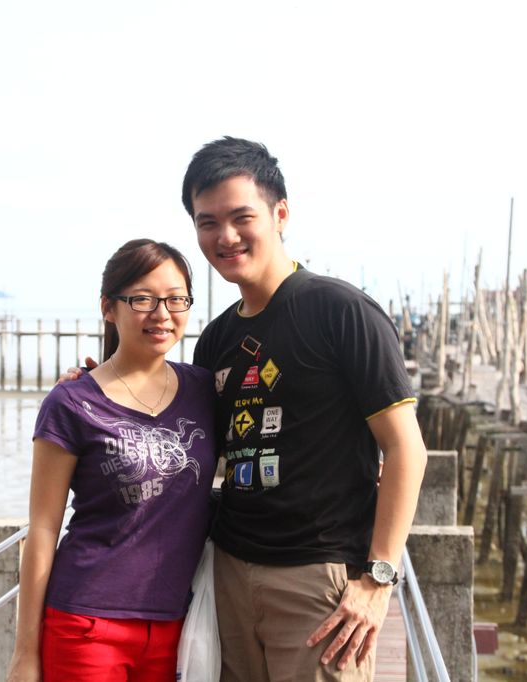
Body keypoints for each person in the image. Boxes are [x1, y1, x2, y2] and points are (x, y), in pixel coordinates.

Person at [184, 137, 427, 681]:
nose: (225, 236)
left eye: (241, 217)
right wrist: (98, 386)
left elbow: (405, 448)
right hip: (230, 571)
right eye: (207, 222)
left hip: (319, 579)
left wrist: (378, 579)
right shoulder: (216, 339)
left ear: (280, 214)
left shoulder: (341, 311)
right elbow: (190, 440)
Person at [6, 239, 217, 682]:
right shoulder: (71, 402)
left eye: (176, 299)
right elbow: (43, 528)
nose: (162, 313)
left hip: (177, 624)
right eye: (142, 299)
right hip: (87, 624)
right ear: (108, 307)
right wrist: (25, 653)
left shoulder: (204, 390)